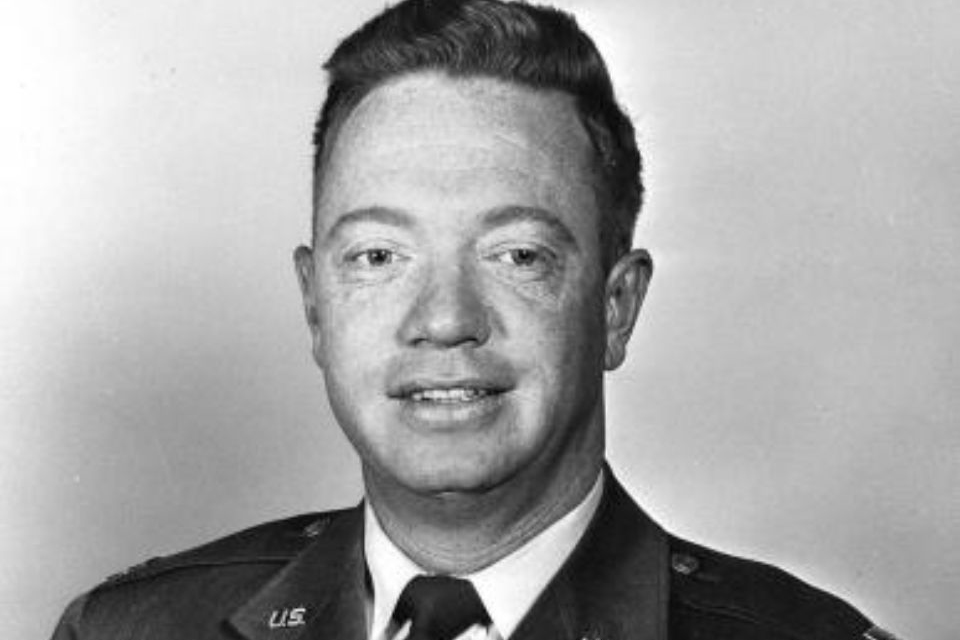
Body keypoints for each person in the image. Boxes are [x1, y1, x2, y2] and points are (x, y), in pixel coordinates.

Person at [50, 1, 899, 638]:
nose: (444, 320)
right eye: (378, 256)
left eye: (517, 255)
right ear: (315, 305)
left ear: (615, 307)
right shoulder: (128, 630)